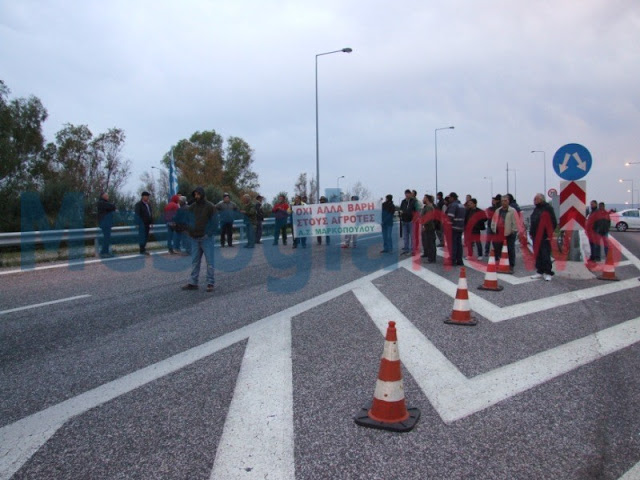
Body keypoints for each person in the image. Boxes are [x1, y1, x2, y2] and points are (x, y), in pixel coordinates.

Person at [182, 187, 216, 292]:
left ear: (202, 194)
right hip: (194, 238)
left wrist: (209, 233)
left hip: (206, 238)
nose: (196, 196)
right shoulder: (192, 207)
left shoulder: (210, 206)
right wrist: (189, 231)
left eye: (198, 194)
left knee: (210, 262)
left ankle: (210, 283)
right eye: (195, 194)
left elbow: (215, 221)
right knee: (195, 262)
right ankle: (193, 282)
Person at [529, 193, 558, 281]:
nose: (535, 201)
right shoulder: (536, 209)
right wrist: (531, 232)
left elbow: (553, 222)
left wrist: (549, 233)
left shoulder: (548, 208)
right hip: (535, 236)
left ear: (542, 199)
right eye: (534, 199)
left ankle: (548, 272)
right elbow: (533, 222)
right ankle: (540, 271)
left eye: (536, 199)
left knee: (545, 254)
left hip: (544, 236)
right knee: (538, 254)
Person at [491, 195, 519, 273]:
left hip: (509, 233)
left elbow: (515, 222)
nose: (504, 202)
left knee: (510, 250)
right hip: (499, 232)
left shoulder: (512, 210)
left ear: (508, 201)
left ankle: (511, 266)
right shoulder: (498, 210)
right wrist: (493, 228)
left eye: (505, 200)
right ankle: (501, 263)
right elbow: (494, 220)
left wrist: (513, 230)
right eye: (502, 200)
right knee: (497, 248)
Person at [446, 192, 466, 266]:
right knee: (459, 244)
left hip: (453, 227)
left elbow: (450, 217)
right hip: (460, 227)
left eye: (450, 198)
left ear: (452, 198)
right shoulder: (462, 206)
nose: (449, 199)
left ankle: (453, 260)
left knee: (453, 244)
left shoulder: (453, 205)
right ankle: (459, 260)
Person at [96, 192, 116, 258]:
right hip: (105, 223)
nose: (108, 196)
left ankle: (104, 251)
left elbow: (112, 207)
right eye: (106, 195)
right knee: (106, 238)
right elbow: (112, 206)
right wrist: (112, 206)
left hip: (107, 223)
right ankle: (104, 252)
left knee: (107, 238)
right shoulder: (101, 203)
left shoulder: (104, 203)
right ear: (103, 196)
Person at [399, 189, 419, 254]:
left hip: (411, 221)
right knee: (405, 236)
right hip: (404, 220)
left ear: (410, 194)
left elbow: (417, 211)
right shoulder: (403, 201)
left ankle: (413, 250)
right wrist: (401, 213)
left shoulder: (414, 201)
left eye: (408, 193)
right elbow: (401, 209)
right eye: (406, 194)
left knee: (412, 236)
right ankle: (406, 249)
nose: (407, 195)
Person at [134, 191, 153, 255]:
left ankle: (143, 248)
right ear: (143, 196)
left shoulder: (148, 204)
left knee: (146, 236)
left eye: (148, 196)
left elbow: (150, 214)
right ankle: (142, 250)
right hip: (142, 224)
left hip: (147, 223)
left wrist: (151, 222)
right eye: (146, 196)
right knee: (142, 236)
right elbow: (137, 214)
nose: (148, 197)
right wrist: (137, 223)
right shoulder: (139, 204)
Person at [421, 194, 437, 263]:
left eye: (424, 198)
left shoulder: (429, 207)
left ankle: (432, 258)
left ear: (427, 199)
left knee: (430, 243)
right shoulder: (427, 207)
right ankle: (430, 256)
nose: (423, 199)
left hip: (429, 228)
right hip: (428, 227)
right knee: (429, 243)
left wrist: (424, 225)